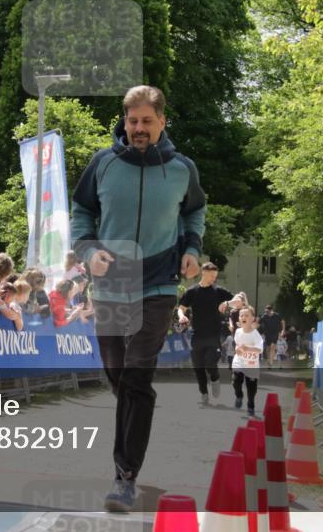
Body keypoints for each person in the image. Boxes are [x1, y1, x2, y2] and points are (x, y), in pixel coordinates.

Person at [70, 85, 206, 512]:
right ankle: (129, 436)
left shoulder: (182, 168)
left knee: (136, 376)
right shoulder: (103, 163)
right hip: (111, 286)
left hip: (159, 285)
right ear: (124, 121)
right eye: (132, 121)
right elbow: (81, 212)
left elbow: (194, 211)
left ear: (162, 121)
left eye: (147, 121)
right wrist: (89, 251)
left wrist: (192, 249)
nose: (139, 129)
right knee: (119, 378)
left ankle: (124, 477)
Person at [176, 262, 234, 405]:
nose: (214, 278)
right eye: (212, 275)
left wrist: (226, 304)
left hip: (214, 335)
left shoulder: (219, 291)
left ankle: (215, 379)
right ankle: (204, 394)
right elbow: (180, 308)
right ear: (204, 273)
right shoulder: (192, 291)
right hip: (197, 335)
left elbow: (237, 300)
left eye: (215, 276)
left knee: (210, 363)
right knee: (198, 367)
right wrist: (181, 316)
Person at [232, 306, 264, 416]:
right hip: (239, 361)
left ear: (252, 319)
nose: (243, 317)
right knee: (236, 381)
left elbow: (259, 349)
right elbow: (237, 345)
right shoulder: (238, 332)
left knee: (251, 389)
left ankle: (251, 404)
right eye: (241, 315)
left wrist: (247, 348)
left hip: (251, 364)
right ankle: (239, 396)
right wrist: (237, 349)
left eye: (246, 315)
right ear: (239, 319)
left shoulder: (255, 334)